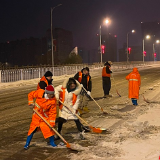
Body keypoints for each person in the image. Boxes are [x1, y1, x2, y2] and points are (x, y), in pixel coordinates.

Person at [24, 85, 57, 149]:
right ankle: (27, 144)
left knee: (49, 129)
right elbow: (30, 94)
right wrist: (31, 103)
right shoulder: (40, 92)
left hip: (44, 116)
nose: (52, 96)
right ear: (47, 93)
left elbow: (52, 113)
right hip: (36, 115)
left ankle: (52, 142)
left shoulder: (53, 101)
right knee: (32, 129)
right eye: (51, 95)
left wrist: (52, 123)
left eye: (53, 94)